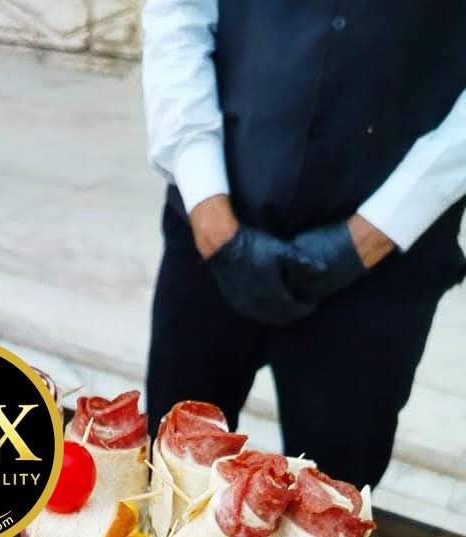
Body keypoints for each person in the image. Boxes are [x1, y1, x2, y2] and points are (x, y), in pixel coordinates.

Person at [141, 1, 466, 489]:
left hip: (383, 269)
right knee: (168, 476)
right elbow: (178, 14)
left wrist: (372, 234)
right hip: (212, 230)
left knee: (332, 499)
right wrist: (207, 205)